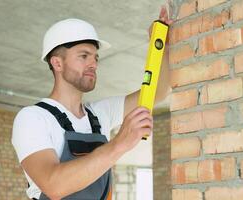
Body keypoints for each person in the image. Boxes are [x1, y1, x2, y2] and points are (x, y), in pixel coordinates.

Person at [11, 6, 173, 200]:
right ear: (57, 63)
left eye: (95, 58)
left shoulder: (99, 114)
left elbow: (158, 92)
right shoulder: (33, 118)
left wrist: (160, 45)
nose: (94, 64)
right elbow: (54, 185)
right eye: (84, 56)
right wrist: (119, 143)